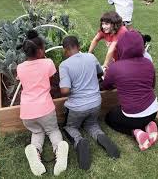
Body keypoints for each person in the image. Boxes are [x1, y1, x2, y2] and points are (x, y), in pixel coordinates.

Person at [59, 36, 120, 170]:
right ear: (79, 47)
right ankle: (101, 136)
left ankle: (79, 141)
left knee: (70, 127)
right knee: (92, 124)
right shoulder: (91, 57)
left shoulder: (65, 65)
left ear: (65, 50)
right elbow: (100, 74)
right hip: (96, 103)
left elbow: (64, 90)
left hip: (77, 108)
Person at [17, 30, 69, 176]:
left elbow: (21, 80)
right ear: (40, 51)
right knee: (52, 130)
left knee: (37, 131)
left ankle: (35, 150)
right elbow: (52, 78)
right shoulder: (48, 63)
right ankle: (59, 148)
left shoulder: (20, 67)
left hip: (26, 112)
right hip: (45, 109)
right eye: (44, 47)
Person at [102, 30, 158, 151]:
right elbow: (152, 85)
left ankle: (136, 132)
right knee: (130, 112)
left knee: (109, 118)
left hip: (132, 117)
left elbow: (106, 86)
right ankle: (149, 125)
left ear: (121, 46)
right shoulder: (148, 63)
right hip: (153, 111)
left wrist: (110, 76)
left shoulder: (115, 67)